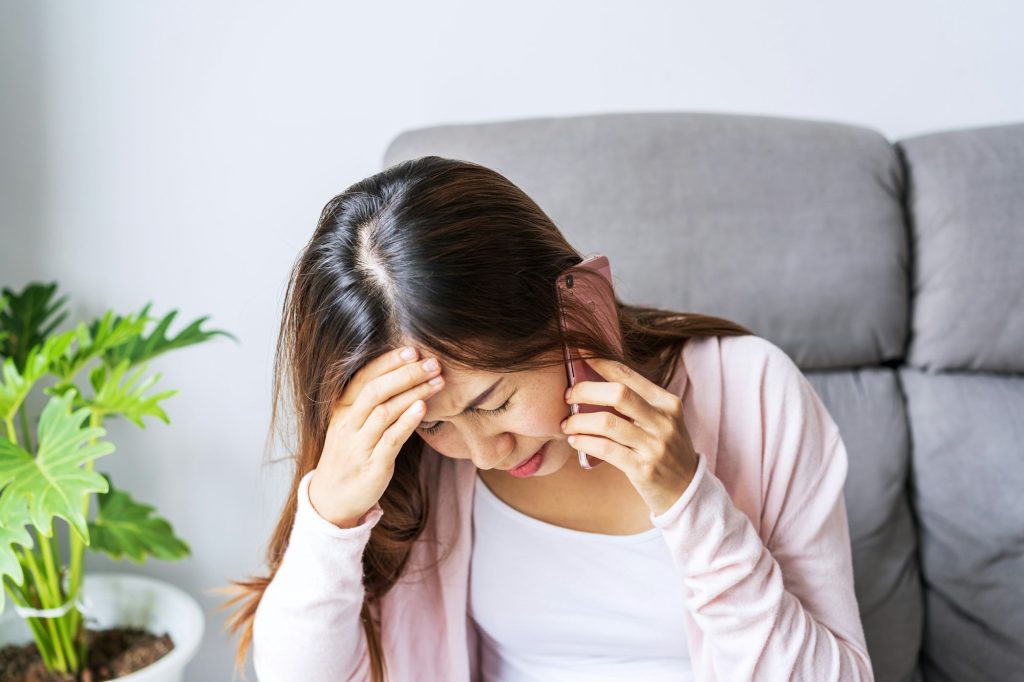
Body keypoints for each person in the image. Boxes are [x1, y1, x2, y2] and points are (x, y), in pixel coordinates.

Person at [215, 156, 874, 681]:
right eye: (433, 425)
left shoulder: (755, 391)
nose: (483, 452)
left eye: (493, 402)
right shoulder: (417, 475)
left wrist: (690, 501)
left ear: (578, 308)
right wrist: (330, 515)